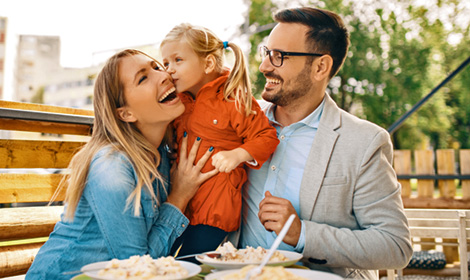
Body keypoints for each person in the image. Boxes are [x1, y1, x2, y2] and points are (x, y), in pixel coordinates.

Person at [236, 7, 413, 279]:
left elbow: (394, 245)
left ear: (320, 67)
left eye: (279, 56)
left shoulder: (365, 142)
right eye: (266, 52)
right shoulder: (239, 119)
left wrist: (302, 233)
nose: (264, 66)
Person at [26, 49, 218, 280]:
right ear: (125, 113)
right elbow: (137, 268)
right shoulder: (112, 168)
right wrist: (179, 198)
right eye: (143, 78)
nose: (164, 75)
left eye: (157, 67)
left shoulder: (163, 156)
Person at [160, 23, 279, 257]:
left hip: (215, 207)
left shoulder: (233, 98)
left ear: (208, 63)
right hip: (182, 203)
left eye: (177, 60)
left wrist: (238, 155)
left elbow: (266, 136)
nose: (169, 70)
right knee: (166, 257)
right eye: (165, 63)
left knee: (192, 262)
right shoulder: (179, 101)